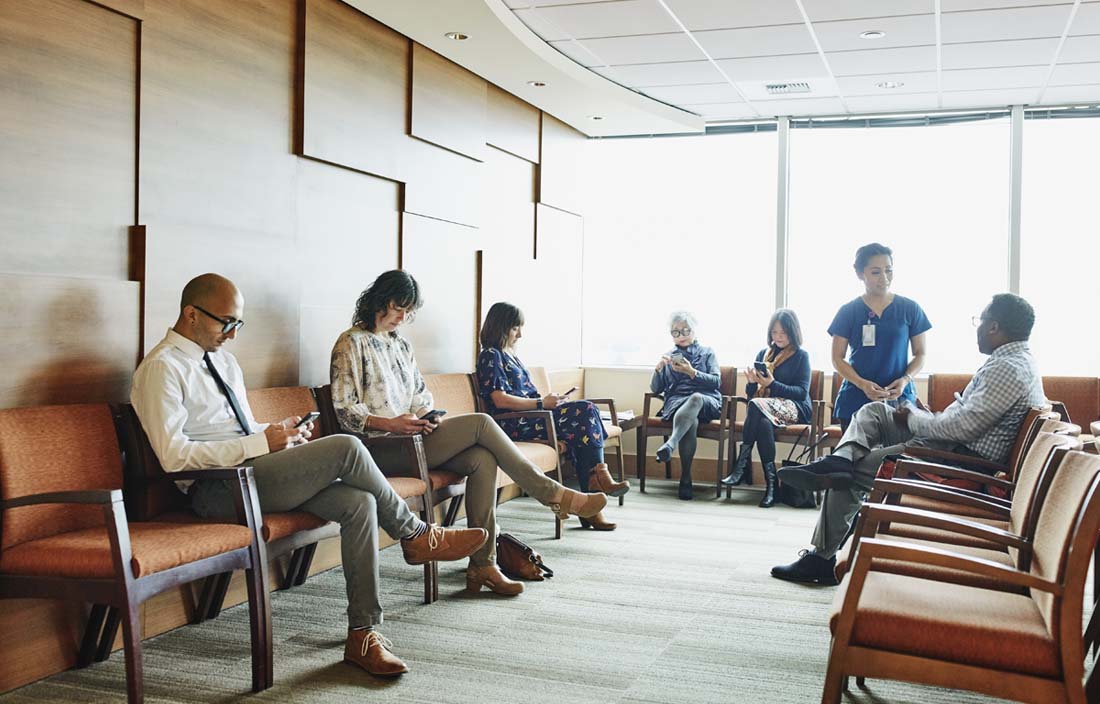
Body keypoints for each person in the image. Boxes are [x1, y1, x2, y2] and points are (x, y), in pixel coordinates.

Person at [131, 273, 488, 678]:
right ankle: (416, 534)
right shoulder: (161, 368)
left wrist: (280, 437)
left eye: (237, 324)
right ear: (191, 314)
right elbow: (174, 457)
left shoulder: (224, 363)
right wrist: (258, 445)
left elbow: (244, 434)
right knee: (347, 446)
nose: (232, 334)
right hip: (216, 490)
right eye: (225, 323)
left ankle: (362, 634)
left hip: (255, 476)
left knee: (359, 503)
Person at [329, 271, 608, 597]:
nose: (403, 318)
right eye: (397, 308)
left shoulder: (401, 345)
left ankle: (483, 564)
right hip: (378, 449)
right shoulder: (351, 342)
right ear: (379, 301)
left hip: (414, 439)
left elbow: (421, 397)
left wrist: (425, 417)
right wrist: (391, 424)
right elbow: (343, 410)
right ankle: (553, 495)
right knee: (481, 423)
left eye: (409, 312)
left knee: (481, 458)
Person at [771, 293, 1046, 585]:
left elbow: (962, 429)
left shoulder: (1008, 368)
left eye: (981, 320)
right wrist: (927, 417)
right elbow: (969, 420)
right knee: (874, 412)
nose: (977, 327)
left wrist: (916, 419)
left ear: (994, 327)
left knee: (849, 475)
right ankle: (838, 459)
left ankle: (820, 559)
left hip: (953, 461)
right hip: (950, 445)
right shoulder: (1014, 361)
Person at [476, 302, 629, 531]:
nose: (520, 334)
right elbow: (499, 400)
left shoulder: (511, 356)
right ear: (501, 326)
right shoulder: (491, 355)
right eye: (516, 328)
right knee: (585, 411)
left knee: (585, 420)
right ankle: (595, 486)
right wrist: (541, 403)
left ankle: (594, 490)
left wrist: (551, 402)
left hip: (534, 417)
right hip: (511, 422)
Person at [829, 243, 930, 432]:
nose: (884, 278)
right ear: (860, 274)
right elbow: (837, 358)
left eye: (888, 270)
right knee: (854, 459)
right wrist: (862, 384)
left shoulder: (910, 308)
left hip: (899, 399)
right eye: (876, 272)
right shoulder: (848, 311)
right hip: (856, 399)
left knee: (895, 460)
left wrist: (906, 379)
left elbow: (920, 354)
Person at [719, 309, 811, 508]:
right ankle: (772, 487)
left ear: (793, 332)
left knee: (757, 407)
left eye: (783, 333)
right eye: (774, 332)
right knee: (762, 422)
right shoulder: (764, 354)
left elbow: (801, 393)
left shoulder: (801, 356)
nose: (778, 337)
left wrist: (772, 384)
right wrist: (752, 382)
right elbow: (752, 395)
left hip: (795, 409)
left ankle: (741, 466)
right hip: (765, 409)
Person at [649, 311, 722, 500]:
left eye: (685, 331)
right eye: (675, 332)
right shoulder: (668, 356)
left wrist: (692, 372)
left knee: (696, 398)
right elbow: (656, 389)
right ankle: (685, 478)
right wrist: (658, 371)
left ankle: (671, 443)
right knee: (692, 422)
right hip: (678, 402)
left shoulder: (707, 353)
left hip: (706, 400)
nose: (681, 336)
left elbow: (716, 382)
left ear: (694, 330)